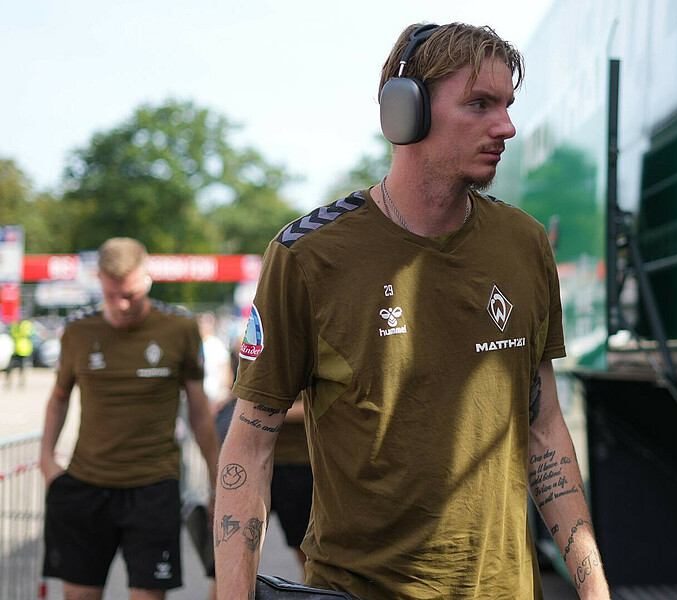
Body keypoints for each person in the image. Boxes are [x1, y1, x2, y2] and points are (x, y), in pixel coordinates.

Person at [215, 22, 610, 599]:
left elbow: (544, 426)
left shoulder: (524, 243)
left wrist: (594, 589)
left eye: (508, 105)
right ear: (406, 112)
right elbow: (250, 445)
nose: (507, 126)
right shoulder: (308, 255)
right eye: (480, 104)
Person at [39, 237, 219, 599]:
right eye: (111, 295)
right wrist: (47, 462)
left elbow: (199, 411)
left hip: (153, 488)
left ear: (148, 279)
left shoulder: (179, 328)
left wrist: (219, 481)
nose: (121, 305)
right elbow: (59, 398)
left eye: (131, 294)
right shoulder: (78, 330)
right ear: (99, 281)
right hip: (86, 486)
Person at [5, 318, 33, 388]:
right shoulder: (14, 325)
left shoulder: (26, 324)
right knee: (10, 367)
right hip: (15, 349)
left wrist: (20, 326)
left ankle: (21, 382)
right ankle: (8, 381)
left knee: (22, 368)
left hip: (24, 350)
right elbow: (12, 334)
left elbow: (27, 333)